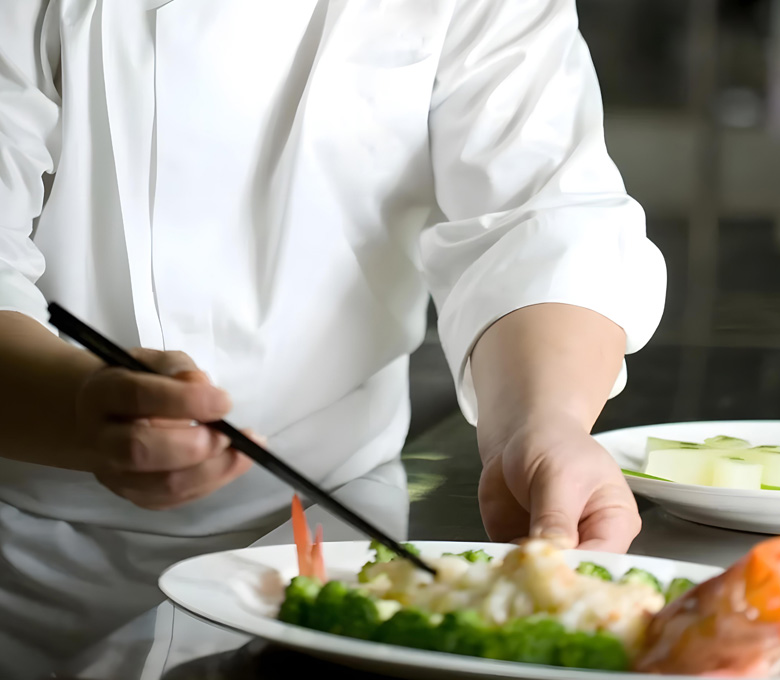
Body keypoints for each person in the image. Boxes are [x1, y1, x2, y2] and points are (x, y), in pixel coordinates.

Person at [0, 0, 666, 676]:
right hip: (29, 546)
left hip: (332, 523)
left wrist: (543, 424)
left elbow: (538, 216)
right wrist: (79, 408)